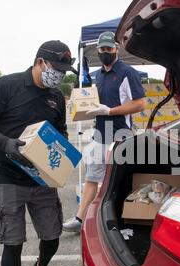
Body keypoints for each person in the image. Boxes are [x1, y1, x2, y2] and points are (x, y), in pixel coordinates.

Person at [0, 40, 77, 266]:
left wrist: (61, 151)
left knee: (52, 236)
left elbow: (60, 130)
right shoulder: (7, 86)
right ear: (40, 62)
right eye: (57, 69)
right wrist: (6, 143)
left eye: (64, 71)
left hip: (42, 178)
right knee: (13, 243)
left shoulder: (55, 97)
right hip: (9, 177)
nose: (60, 76)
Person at [63, 31, 146, 233]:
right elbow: (90, 102)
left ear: (117, 49)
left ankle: (122, 221)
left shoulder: (128, 73)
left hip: (120, 136)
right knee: (92, 178)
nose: (105, 52)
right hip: (99, 136)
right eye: (102, 49)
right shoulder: (97, 75)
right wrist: (80, 107)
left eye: (109, 48)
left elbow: (140, 104)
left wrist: (109, 111)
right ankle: (79, 219)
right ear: (98, 50)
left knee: (120, 181)